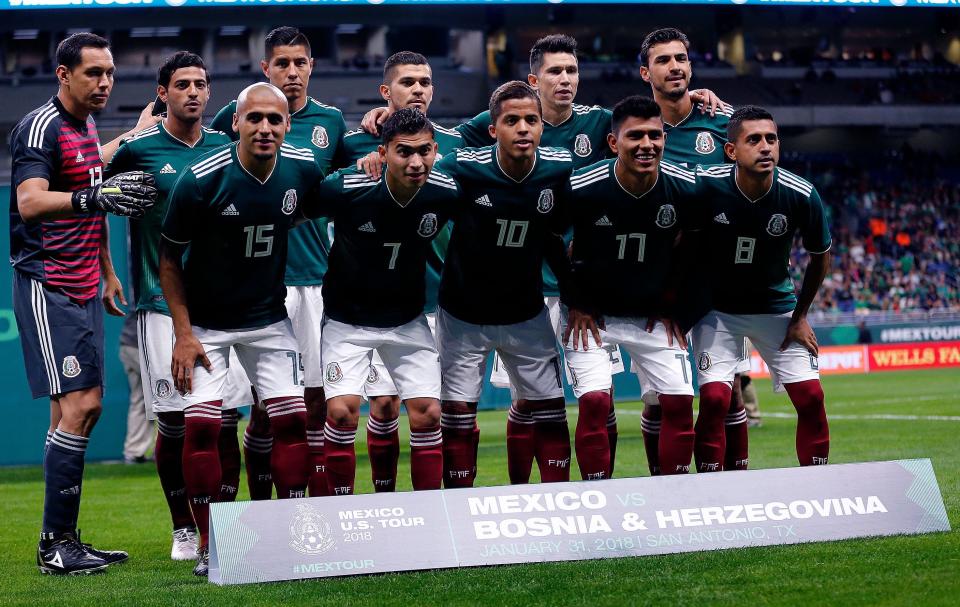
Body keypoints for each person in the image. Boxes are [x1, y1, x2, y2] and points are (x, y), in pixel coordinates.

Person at [10, 32, 156, 575]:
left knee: (71, 413)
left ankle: (61, 542)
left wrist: (108, 271)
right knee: (84, 406)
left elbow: (92, 175)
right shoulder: (40, 126)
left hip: (84, 283)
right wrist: (90, 196)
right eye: (93, 73)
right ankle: (56, 544)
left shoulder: (87, 125)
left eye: (110, 73)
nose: (105, 83)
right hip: (48, 283)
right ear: (63, 75)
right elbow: (30, 202)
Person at [160, 83, 319, 575]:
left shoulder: (303, 171)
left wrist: (371, 164)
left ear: (287, 125)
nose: (265, 128)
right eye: (255, 119)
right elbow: (167, 259)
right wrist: (184, 335)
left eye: (275, 119)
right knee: (203, 427)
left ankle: (294, 531)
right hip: (206, 325)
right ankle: (211, 544)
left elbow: (341, 203)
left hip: (269, 321)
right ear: (236, 124)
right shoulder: (201, 180)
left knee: (292, 422)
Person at [106, 51, 253, 561]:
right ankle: (183, 529)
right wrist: (106, 269)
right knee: (172, 421)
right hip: (158, 305)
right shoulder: (138, 150)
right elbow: (87, 185)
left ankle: (225, 527)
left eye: (201, 84)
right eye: (182, 84)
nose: (194, 92)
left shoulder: (227, 148)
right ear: (162, 93)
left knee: (223, 419)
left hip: (219, 306)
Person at [211, 26, 348, 499]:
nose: (292, 71)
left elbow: (360, 171)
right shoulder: (236, 115)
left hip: (312, 278)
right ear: (265, 68)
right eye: (282, 63)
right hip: (252, 283)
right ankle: (253, 507)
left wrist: (377, 125)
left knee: (310, 399)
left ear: (312, 67)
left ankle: (304, 504)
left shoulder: (331, 122)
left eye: (301, 63)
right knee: (254, 406)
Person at [307, 108, 458, 495]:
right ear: (384, 151)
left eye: (424, 151)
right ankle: (336, 513)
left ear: (435, 150)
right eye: (404, 152)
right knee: (340, 414)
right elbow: (291, 212)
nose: (416, 161)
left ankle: (428, 513)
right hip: (347, 321)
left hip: (408, 320)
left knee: (428, 414)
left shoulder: (446, 191)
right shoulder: (348, 187)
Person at [434, 81, 573, 487]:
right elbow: (415, 185)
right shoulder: (464, 167)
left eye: (532, 119)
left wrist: (575, 295)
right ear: (494, 129)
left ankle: (554, 504)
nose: (524, 128)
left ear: (542, 126)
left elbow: (555, 238)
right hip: (463, 314)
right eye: (512, 121)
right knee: (458, 416)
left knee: (550, 413)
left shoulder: (558, 169)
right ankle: (459, 508)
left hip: (525, 313)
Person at [339, 51, 463, 492]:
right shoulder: (354, 142)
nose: (419, 90)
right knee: (385, 404)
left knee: (433, 409)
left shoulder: (454, 141)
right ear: (385, 92)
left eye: (426, 82)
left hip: (437, 296)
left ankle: (430, 508)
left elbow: (513, 110)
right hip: (372, 300)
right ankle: (384, 500)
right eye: (408, 82)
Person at [632, 27, 751, 476]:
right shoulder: (633, 127)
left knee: (725, 391)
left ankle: (730, 488)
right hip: (655, 282)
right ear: (646, 72)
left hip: (716, 280)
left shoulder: (724, 121)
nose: (675, 66)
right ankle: (667, 491)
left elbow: (760, 168)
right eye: (663, 60)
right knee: (661, 398)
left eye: (681, 58)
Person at [561, 96, 697, 480]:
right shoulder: (582, 187)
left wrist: (677, 309)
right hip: (594, 316)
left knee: (680, 401)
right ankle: (596, 495)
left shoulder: (685, 188)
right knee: (593, 402)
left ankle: (672, 497)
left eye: (655, 135)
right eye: (635, 135)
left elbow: (697, 250)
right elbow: (550, 241)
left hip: (652, 315)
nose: (647, 144)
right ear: (613, 142)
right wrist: (575, 303)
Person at [692, 106, 831, 471]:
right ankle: (707, 492)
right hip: (717, 311)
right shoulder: (705, 186)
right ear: (731, 151)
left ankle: (818, 490)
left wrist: (800, 317)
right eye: (754, 139)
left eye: (772, 139)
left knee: (812, 397)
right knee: (714, 400)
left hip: (777, 309)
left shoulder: (801, 194)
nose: (766, 147)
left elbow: (820, 257)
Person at [119, 312, 151, 465]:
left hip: (130, 343)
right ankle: (172, 447)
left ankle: (134, 452)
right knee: (170, 393)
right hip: (139, 344)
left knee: (142, 399)